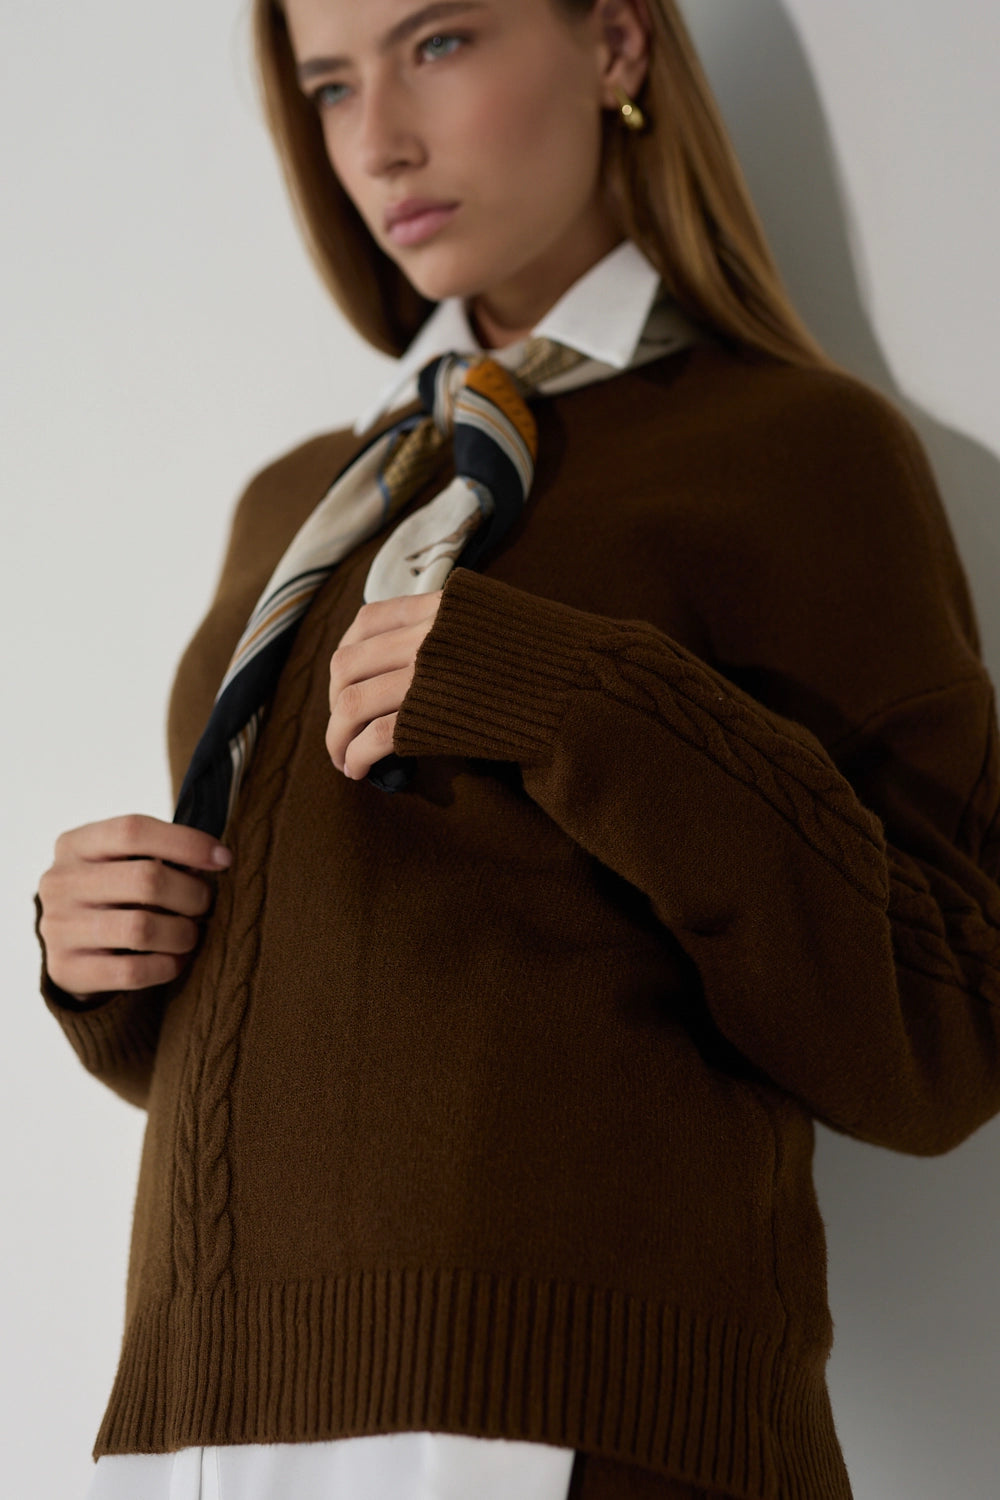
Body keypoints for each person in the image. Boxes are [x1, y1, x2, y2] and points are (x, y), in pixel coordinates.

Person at [34, 0, 1000, 1497]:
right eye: (329, 86)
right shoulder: (302, 498)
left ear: (614, 45)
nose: (376, 142)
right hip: (220, 1420)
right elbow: (384, 993)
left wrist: (578, 701)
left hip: (587, 1416)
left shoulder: (802, 451)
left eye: (438, 44)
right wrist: (115, 961)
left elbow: (943, 1039)